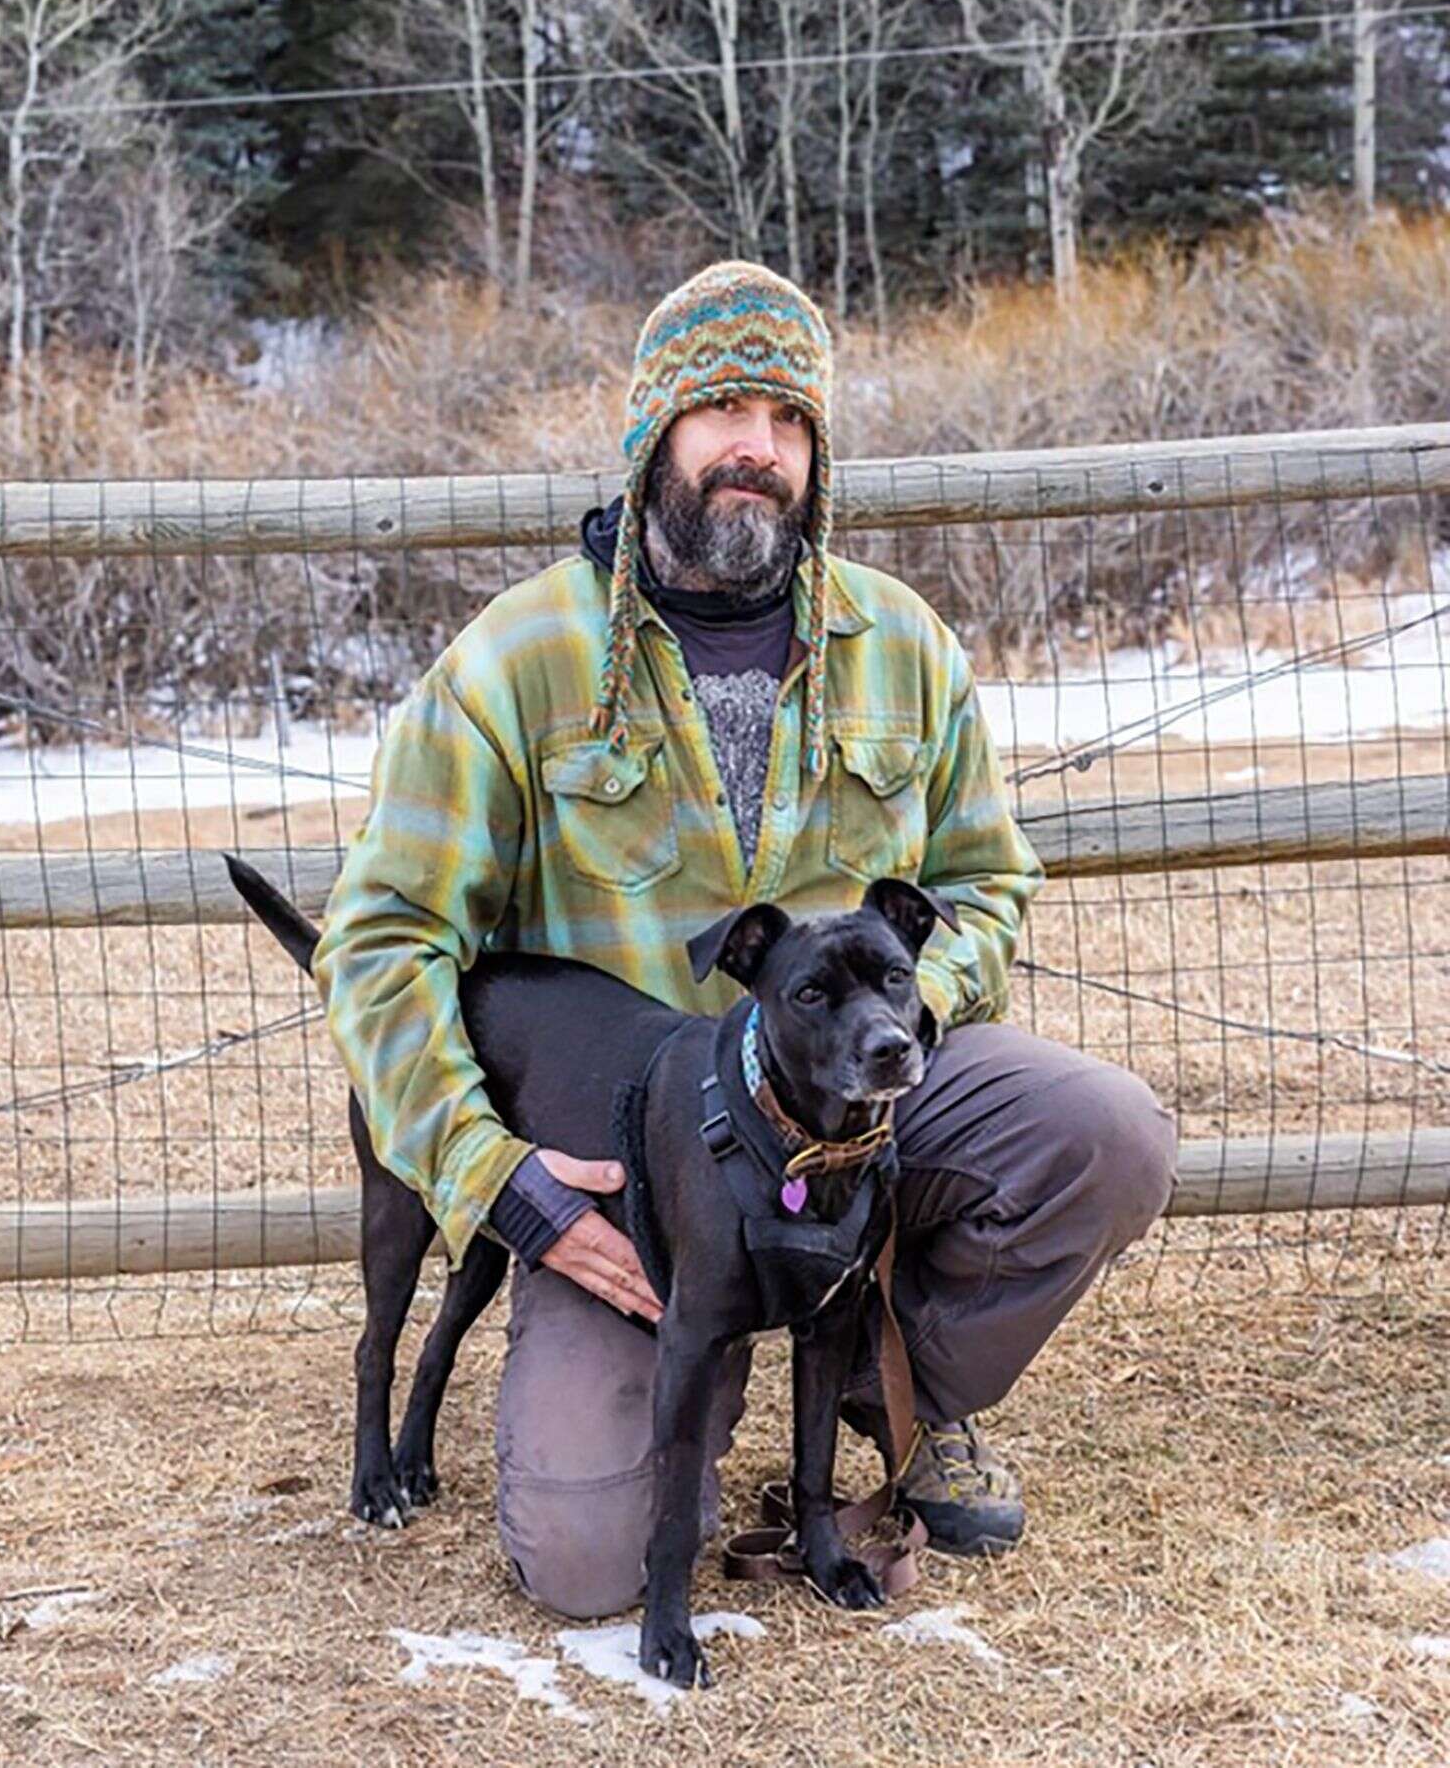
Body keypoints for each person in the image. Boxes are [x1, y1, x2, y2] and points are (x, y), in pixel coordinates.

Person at [313, 259, 1177, 1618]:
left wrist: (911, 1017)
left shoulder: (902, 645)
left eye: (789, 418)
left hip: (864, 1103)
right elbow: (381, 942)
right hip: (635, 1166)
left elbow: (985, 878)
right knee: (592, 1565)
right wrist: (496, 1179)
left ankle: (886, 1388)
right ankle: (695, 1387)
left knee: (1107, 1134)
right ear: (653, 434)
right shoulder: (511, 665)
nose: (756, 449)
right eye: (721, 409)